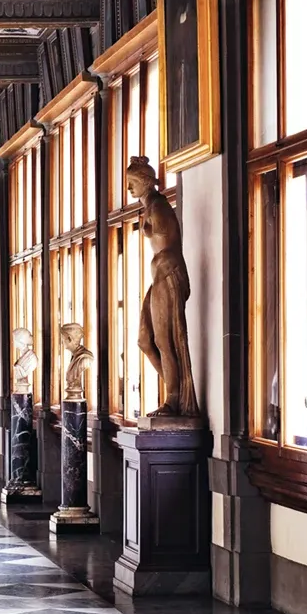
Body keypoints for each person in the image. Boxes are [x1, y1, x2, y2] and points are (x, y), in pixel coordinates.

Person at [125, 155, 199, 423]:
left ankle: (173, 399)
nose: (129, 188)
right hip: (158, 276)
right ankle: (174, 391)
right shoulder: (150, 207)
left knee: (165, 340)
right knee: (145, 340)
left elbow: (168, 247)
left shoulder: (158, 206)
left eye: (133, 182)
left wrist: (161, 272)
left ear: (147, 182)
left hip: (168, 274)